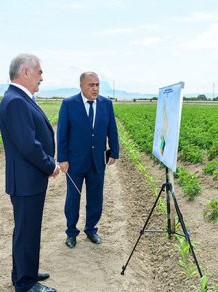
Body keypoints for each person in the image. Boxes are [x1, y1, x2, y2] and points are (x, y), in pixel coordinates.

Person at [0, 53, 59, 292]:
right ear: (25, 72)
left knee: (27, 229)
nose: (42, 77)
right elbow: (28, 145)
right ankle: (26, 284)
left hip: (29, 179)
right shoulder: (15, 101)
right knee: (26, 231)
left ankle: (25, 272)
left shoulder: (20, 98)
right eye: (40, 72)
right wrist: (50, 165)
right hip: (26, 180)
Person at [57, 71, 119, 249]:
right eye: (91, 85)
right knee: (73, 198)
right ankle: (71, 232)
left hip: (97, 161)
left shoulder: (106, 104)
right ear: (81, 86)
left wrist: (114, 151)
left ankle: (91, 229)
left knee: (95, 197)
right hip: (75, 161)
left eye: (97, 85)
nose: (95, 88)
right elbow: (62, 133)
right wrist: (62, 158)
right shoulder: (69, 104)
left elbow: (112, 129)